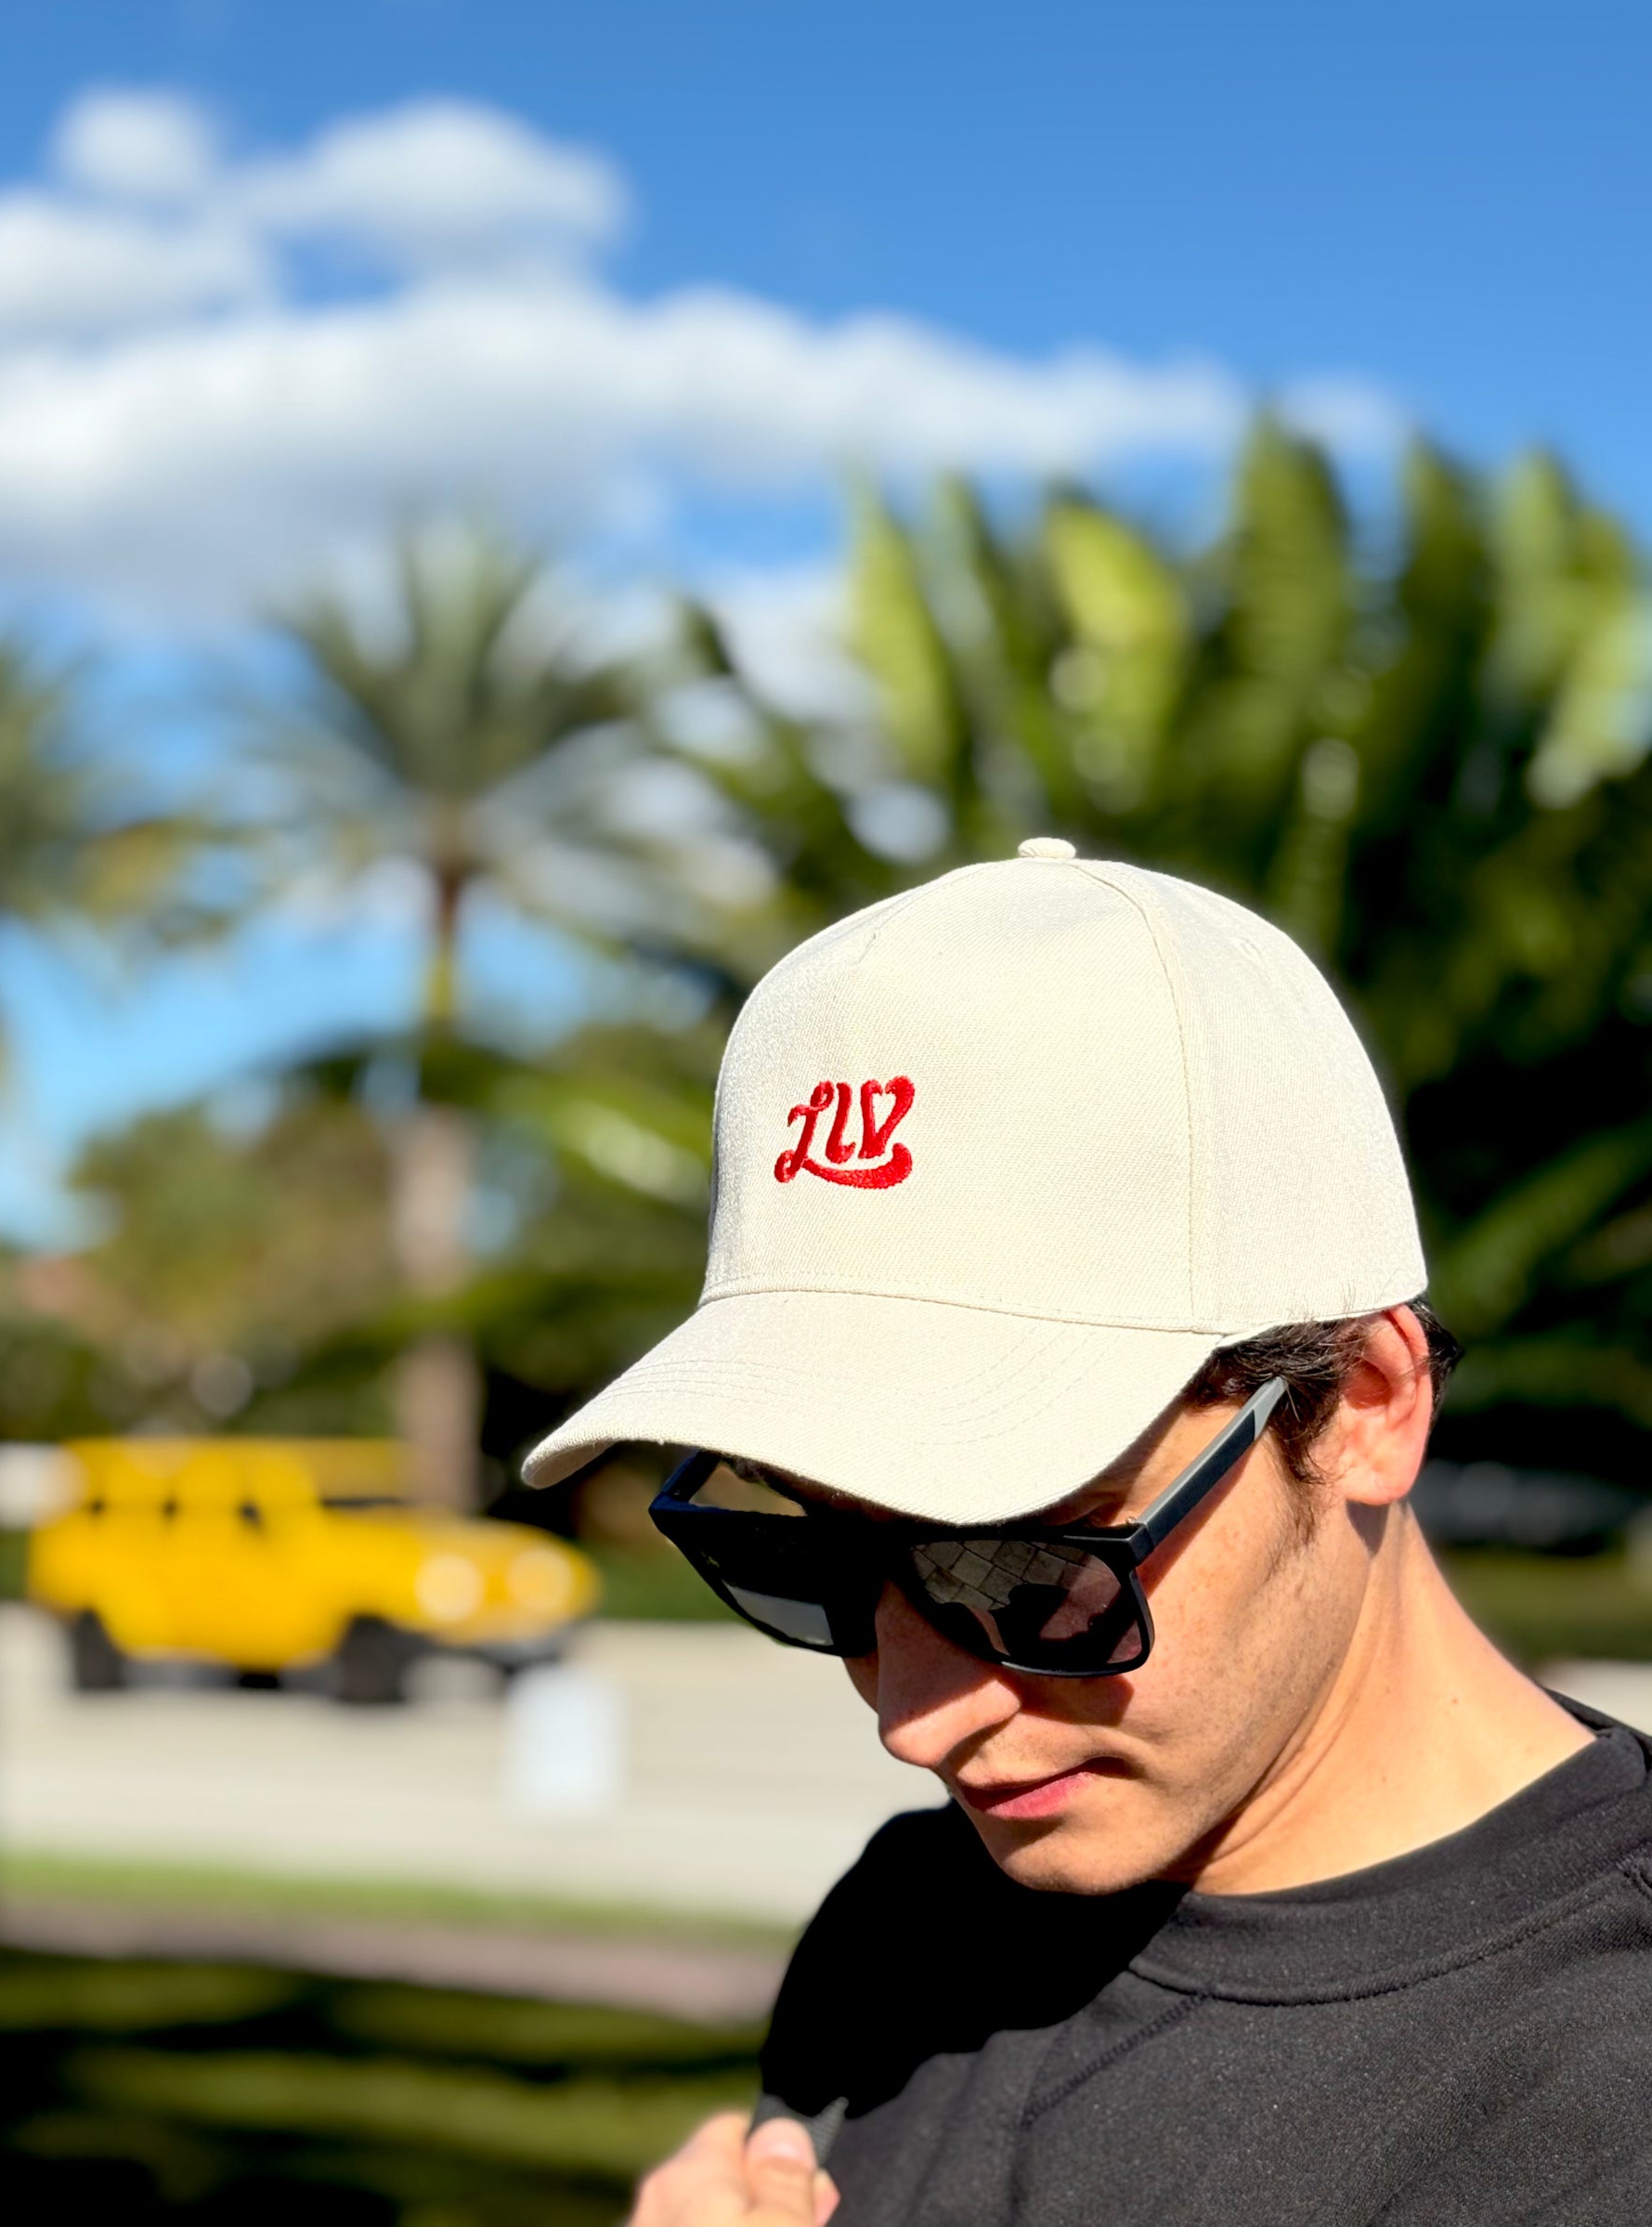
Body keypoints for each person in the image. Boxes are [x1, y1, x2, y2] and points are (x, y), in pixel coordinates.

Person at [526, 842, 1652, 2226]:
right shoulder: (908, 1924)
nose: (916, 1723)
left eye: (1026, 1567)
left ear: (1363, 1406)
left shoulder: (1607, 2089)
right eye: (815, 1554)